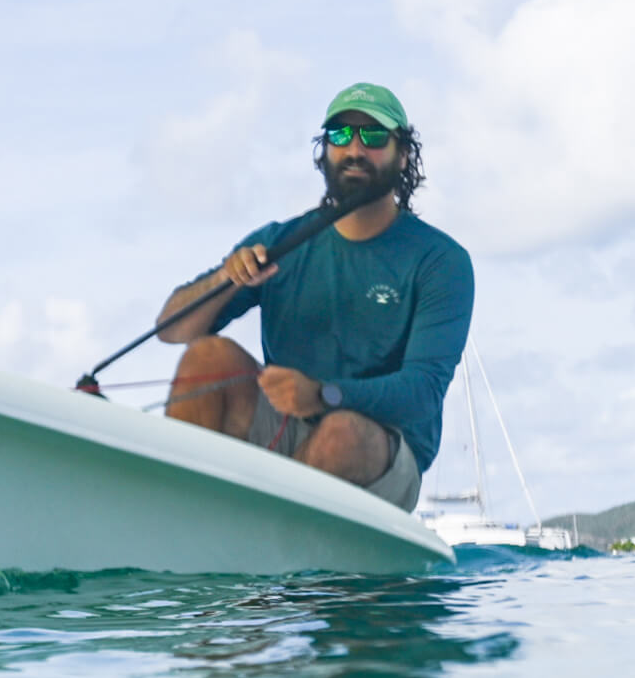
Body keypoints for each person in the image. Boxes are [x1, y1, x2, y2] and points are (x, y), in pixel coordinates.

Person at [153, 82, 473, 510]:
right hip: (284, 427)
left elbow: (422, 392)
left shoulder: (440, 260)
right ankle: (174, 516)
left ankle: (262, 541)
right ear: (324, 151)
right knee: (207, 358)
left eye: (374, 136)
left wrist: (325, 394)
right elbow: (171, 330)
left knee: (342, 433)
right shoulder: (281, 242)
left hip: (381, 450)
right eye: (340, 136)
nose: (355, 148)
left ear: (404, 154)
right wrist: (226, 280)